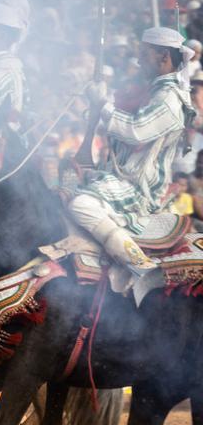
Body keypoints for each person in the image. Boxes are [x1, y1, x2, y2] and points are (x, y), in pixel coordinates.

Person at [69, 27, 195, 276]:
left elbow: (135, 130)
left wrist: (102, 106)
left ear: (163, 56)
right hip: (120, 177)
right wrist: (98, 106)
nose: (138, 60)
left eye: (144, 54)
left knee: (81, 205)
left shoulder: (170, 97)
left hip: (139, 187)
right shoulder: (153, 91)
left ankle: (138, 265)